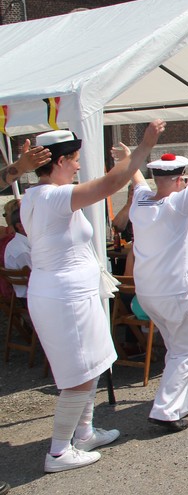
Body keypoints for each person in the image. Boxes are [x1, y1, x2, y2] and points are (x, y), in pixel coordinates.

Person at [22, 121, 164, 473]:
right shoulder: (53, 196)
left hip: (69, 293)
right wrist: (143, 147)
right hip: (65, 297)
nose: (77, 166)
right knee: (79, 374)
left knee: (94, 363)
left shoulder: (35, 195)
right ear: (58, 162)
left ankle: (83, 433)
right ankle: (58, 452)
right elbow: (110, 184)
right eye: (73, 160)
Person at [130, 153, 188, 432]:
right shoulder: (177, 203)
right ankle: (165, 409)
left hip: (149, 291)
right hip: (177, 290)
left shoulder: (141, 201)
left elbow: (136, 179)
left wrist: (129, 158)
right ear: (180, 180)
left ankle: (185, 400)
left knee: (176, 345)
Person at [3, 199, 30, 297]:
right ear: (20, 226)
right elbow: (35, 279)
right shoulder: (22, 251)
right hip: (29, 296)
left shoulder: (15, 243)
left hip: (22, 293)